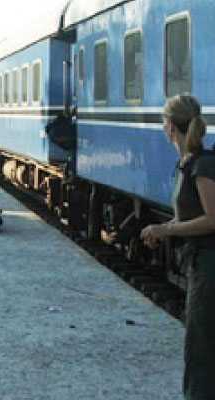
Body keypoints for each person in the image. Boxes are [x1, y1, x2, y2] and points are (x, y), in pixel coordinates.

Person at [140, 95, 215, 400]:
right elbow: (190, 213)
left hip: (209, 266)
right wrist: (164, 229)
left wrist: (166, 228)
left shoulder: (203, 165)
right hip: (199, 263)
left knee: (200, 349)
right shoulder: (189, 163)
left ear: (170, 126)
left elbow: (212, 219)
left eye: (163, 122)